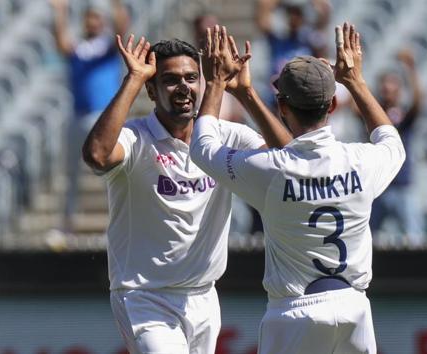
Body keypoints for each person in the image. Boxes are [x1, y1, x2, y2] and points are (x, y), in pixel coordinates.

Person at [191, 23, 405, 353]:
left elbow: (203, 148)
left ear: (282, 106)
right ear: (332, 106)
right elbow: (391, 141)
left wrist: (217, 83)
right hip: (353, 309)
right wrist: (356, 81)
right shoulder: (362, 160)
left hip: (294, 312)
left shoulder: (269, 170)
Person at [81, 34, 289, 353]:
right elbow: (97, 154)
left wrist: (245, 93)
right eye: (170, 80)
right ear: (151, 90)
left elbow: (291, 161)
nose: (183, 87)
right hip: (145, 297)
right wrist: (134, 79)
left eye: (192, 78)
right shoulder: (135, 138)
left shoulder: (225, 135)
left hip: (204, 295)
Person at [50, 0, 130, 233]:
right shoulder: (80, 48)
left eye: (96, 18)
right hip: (78, 115)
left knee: (114, 171)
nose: (92, 22)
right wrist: (61, 12)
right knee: (69, 174)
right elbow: (61, 44)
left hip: (104, 118)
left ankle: (120, 221)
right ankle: (66, 225)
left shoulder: (107, 46)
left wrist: (116, 5)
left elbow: (122, 30)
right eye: (89, 18)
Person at [370, 48, 425, 245]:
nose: (388, 88)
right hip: (379, 187)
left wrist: (411, 70)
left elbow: (418, 103)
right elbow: (355, 106)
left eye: (392, 84)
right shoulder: (373, 115)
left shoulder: (403, 115)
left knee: (415, 241)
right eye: (385, 84)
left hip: (403, 187)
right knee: (367, 240)